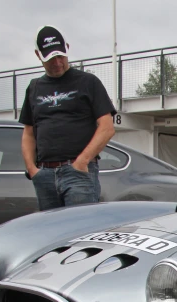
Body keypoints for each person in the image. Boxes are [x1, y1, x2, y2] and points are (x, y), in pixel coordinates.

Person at [20, 25, 116, 210]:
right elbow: (28, 133)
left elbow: (107, 127)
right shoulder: (34, 87)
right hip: (45, 174)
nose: (57, 63)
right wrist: (33, 170)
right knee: (52, 234)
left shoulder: (88, 82)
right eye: (50, 58)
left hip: (78, 172)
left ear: (67, 48)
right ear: (38, 55)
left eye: (60, 56)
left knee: (80, 230)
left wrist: (82, 161)